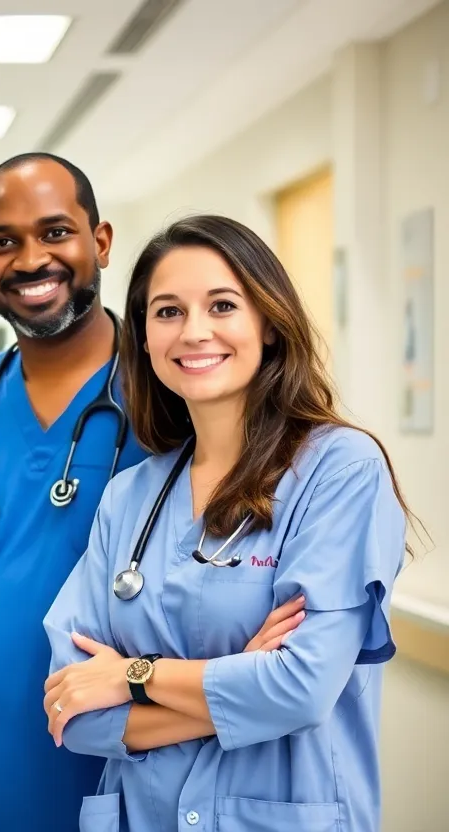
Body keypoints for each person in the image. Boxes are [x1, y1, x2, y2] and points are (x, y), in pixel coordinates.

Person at [42, 214, 417, 831]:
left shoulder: (341, 469)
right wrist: (242, 683)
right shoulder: (128, 496)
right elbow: (73, 710)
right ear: (143, 337)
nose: (194, 331)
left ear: (267, 322)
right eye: (167, 311)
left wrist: (132, 675)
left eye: (222, 305)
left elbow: (300, 689)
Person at [0, 152, 151, 830]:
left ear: (100, 242)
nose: (30, 260)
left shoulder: (165, 398)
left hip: (125, 773)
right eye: (2, 242)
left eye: (55, 232)